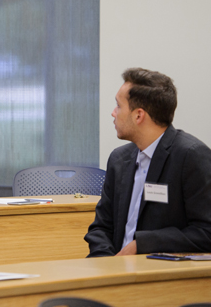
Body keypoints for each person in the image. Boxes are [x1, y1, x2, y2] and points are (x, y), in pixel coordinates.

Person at [85, 68, 211, 257]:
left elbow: (206, 232)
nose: (113, 113)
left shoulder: (191, 156)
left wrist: (142, 244)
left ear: (138, 115)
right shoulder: (119, 159)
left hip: (159, 277)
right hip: (114, 273)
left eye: (118, 106)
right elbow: (101, 228)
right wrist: (107, 264)